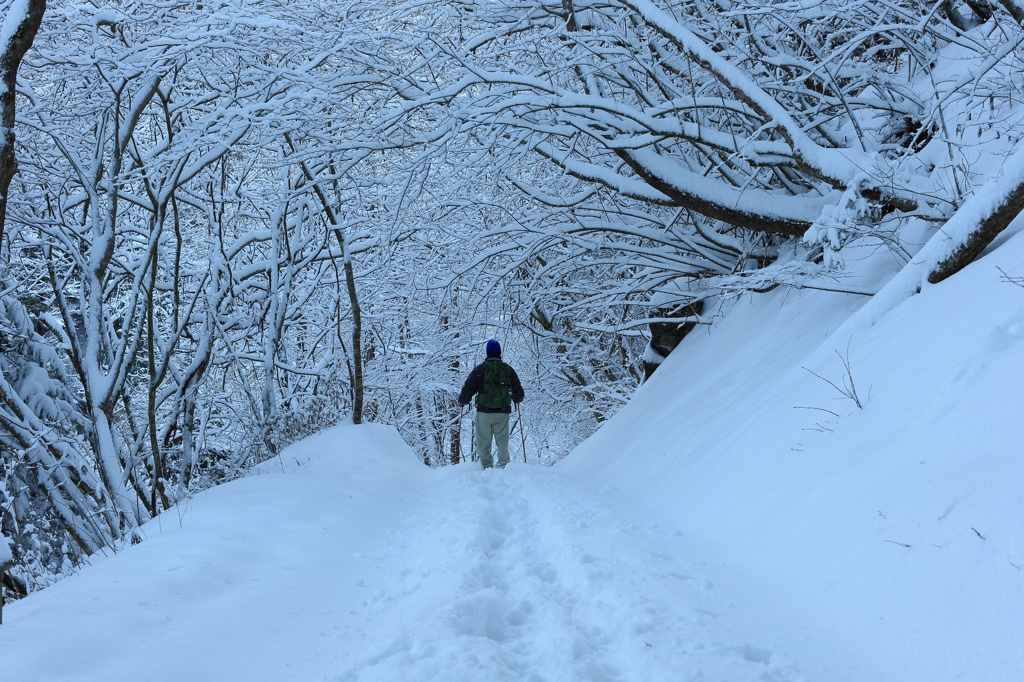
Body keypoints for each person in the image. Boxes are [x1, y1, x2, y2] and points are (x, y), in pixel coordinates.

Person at [458, 340, 525, 469]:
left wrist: (463, 401)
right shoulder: (508, 370)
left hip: (484, 412)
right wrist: (516, 398)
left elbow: (468, 389)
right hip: (502, 413)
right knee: (502, 442)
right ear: (500, 353)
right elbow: (520, 394)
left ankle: (486, 466)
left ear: (487, 353)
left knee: (483, 442)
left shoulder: (479, 370)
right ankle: (503, 466)